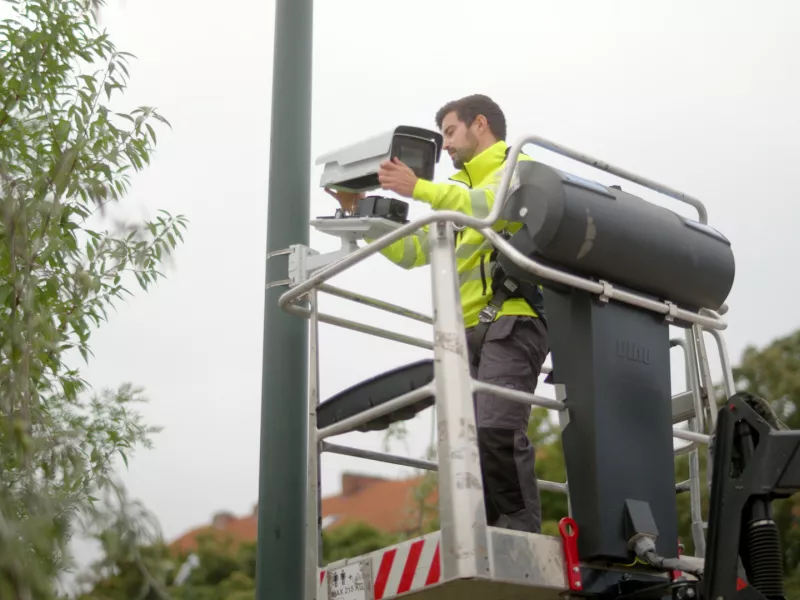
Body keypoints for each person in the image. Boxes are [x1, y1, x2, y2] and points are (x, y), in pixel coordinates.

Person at [326, 94, 549, 534]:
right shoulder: (458, 198)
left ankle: (519, 534)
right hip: (463, 335)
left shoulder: (516, 170)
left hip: (511, 321)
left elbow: (491, 206)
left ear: (480, 124)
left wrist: (420, 189)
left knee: (496, 431)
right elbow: (414, 251)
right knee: (466, 446)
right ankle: (485, 533)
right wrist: (359, 212)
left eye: (449, 132)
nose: (445, 146)